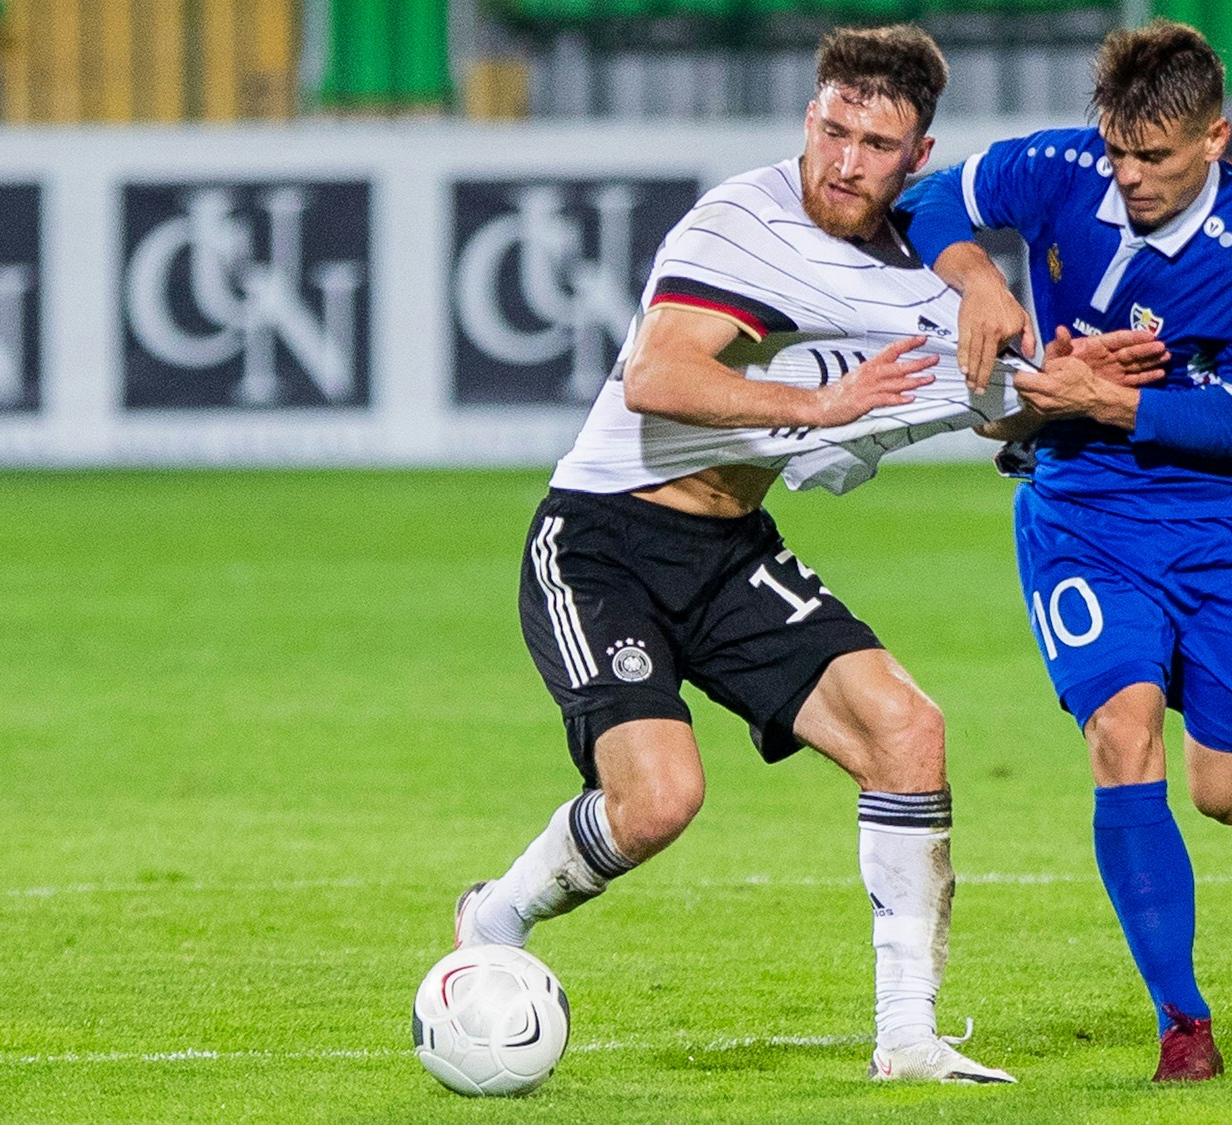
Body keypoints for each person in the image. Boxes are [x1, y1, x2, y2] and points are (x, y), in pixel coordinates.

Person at [453, 24, 1154, 1085]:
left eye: (875, 143)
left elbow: (993, 410)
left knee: (906, 730)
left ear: (916, 156)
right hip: (602, 542)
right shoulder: (743, 222)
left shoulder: (925, 266)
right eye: (831, 128)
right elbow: (656, 375)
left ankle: (907, 1040)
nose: (843, 161)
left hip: (730, 552)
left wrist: (1063, 382)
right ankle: (494, 916)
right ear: (808, 117)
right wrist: (817, 404)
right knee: (658, 801)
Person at [896, 20, 1232, 1082]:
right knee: (1119, 736)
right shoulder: (1062, 166)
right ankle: (1183, 1022)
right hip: (1076, 505)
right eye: (1119, 151)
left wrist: (1116, 400)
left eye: (1156, 159)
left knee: (1229, 795)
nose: (1128, 177)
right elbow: (931, 198)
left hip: (1213, 523)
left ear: (1214, 137)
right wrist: (979, 283)